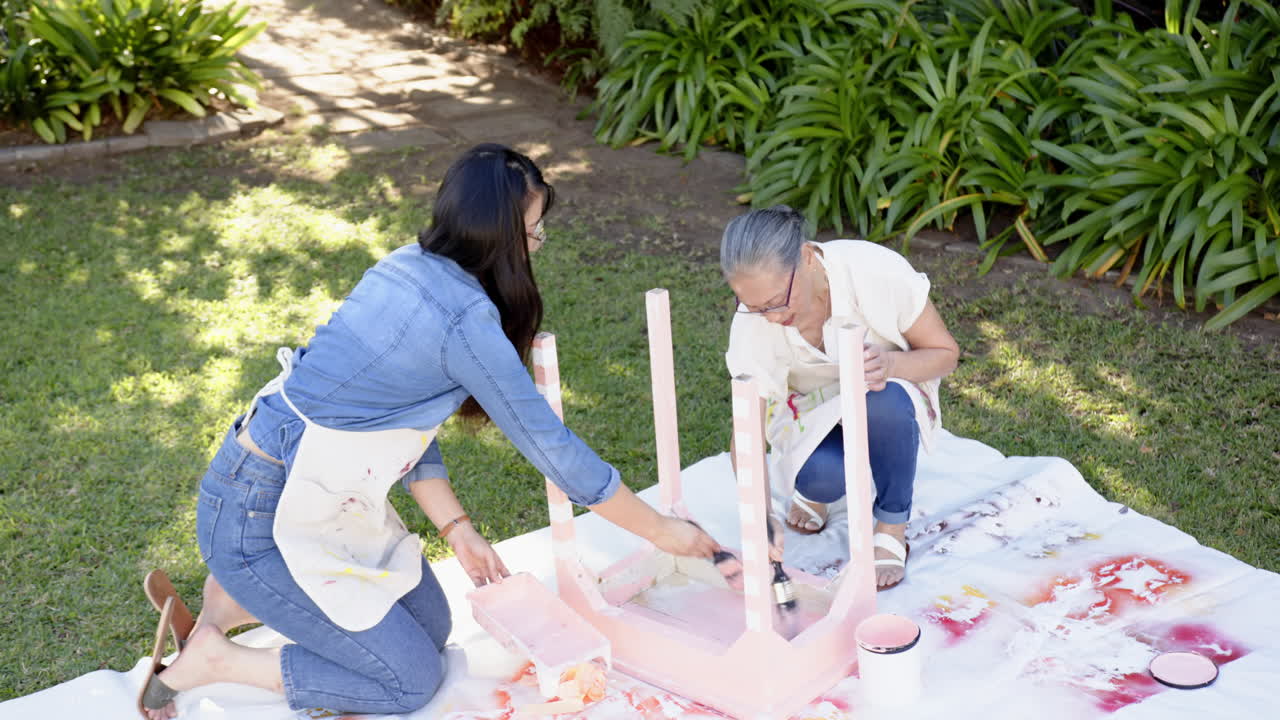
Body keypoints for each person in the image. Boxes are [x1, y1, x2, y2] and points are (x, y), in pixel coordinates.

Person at [138, 144, 720, 720]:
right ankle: (217, 655)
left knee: (431, 628)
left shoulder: (405, 263)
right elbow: (553, 450)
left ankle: (232, 599)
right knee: (409, 681)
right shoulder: (464, 321)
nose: (537, 246)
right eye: (534, 232)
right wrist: (662, 531)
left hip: (308, 499)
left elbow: (398, 419)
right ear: (500, 237)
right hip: (261, 516)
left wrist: (457, 530)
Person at [719, 206, 959, 591]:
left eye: (778, 301)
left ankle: (891, 523)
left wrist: (890, 364)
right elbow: (745, 432)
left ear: (806, 257)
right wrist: (760, 517)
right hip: (810, 406)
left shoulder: (875, 272)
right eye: (754, 306)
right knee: (821, 478)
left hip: (884, 391)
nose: (771, 318)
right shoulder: (752, 323)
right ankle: (818, 492)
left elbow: (945, 354)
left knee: (885, 401)